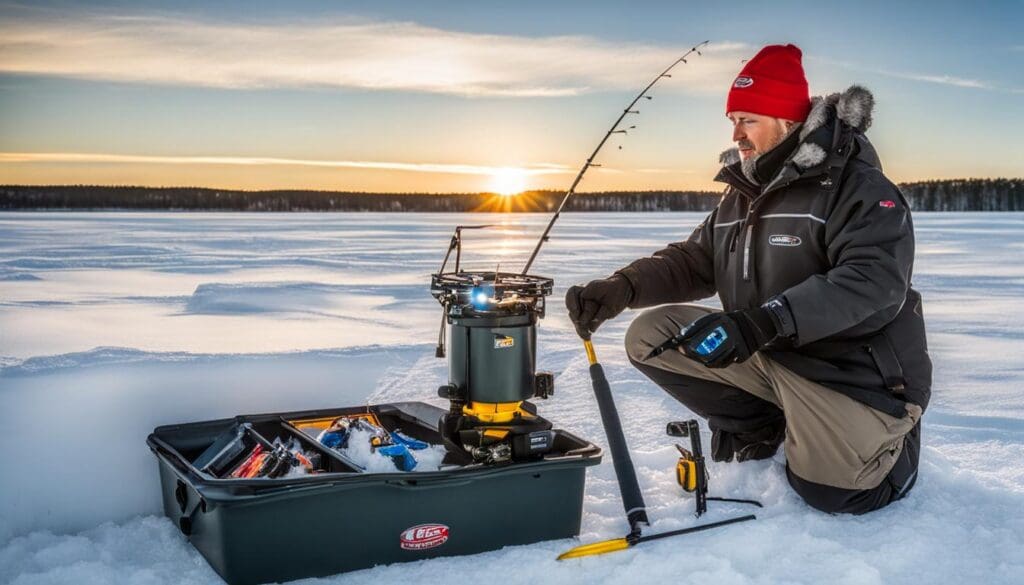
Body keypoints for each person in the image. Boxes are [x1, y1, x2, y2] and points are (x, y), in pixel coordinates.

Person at [565, 44, 931, 514]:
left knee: (835, 494)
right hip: (773, 357)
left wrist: (764, 322)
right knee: (650, 336)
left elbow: (873, 282)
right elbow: (697, 260)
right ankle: (767, 424)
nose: (736, 133)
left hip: (853, 375)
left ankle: (896, 442)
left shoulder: (858, 188)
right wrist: (622, 288)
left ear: (786, 120)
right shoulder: (744, 191)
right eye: (733, 119)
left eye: (748, 119)